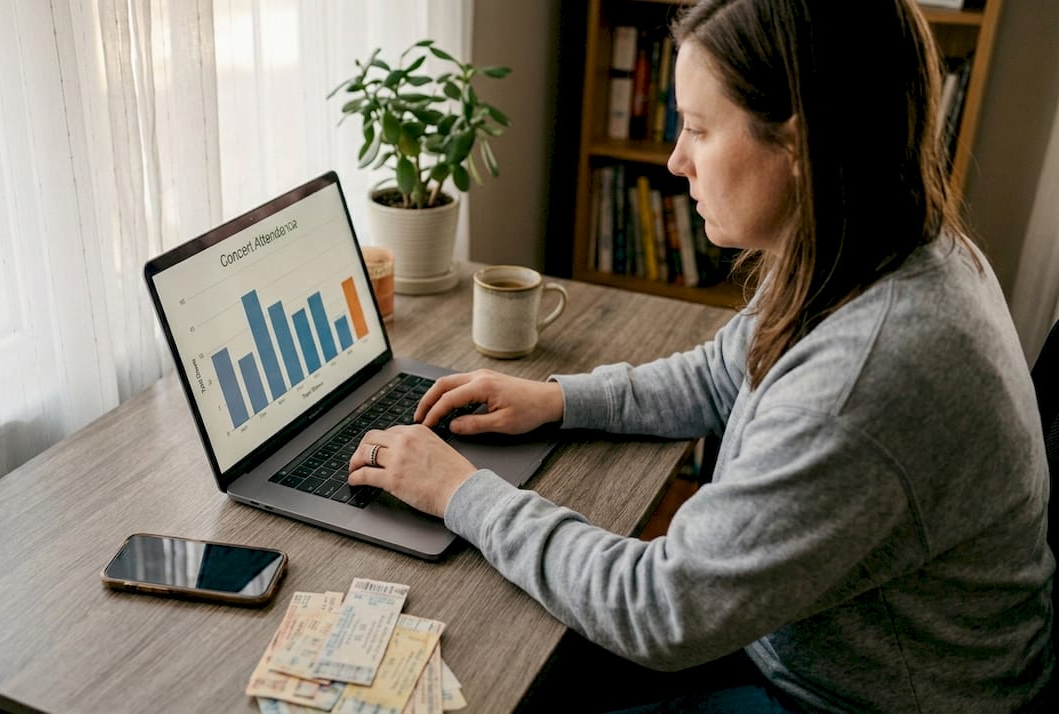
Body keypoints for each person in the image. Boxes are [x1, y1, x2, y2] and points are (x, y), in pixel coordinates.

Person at [346, 0, 1054, 711]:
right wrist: (558, 399)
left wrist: (460, 493)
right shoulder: (860, 239)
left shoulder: (868, 374)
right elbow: (723, 370)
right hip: (796, 641)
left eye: (698, 128)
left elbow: (659, 609)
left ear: (800, 146)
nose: (675, 160)